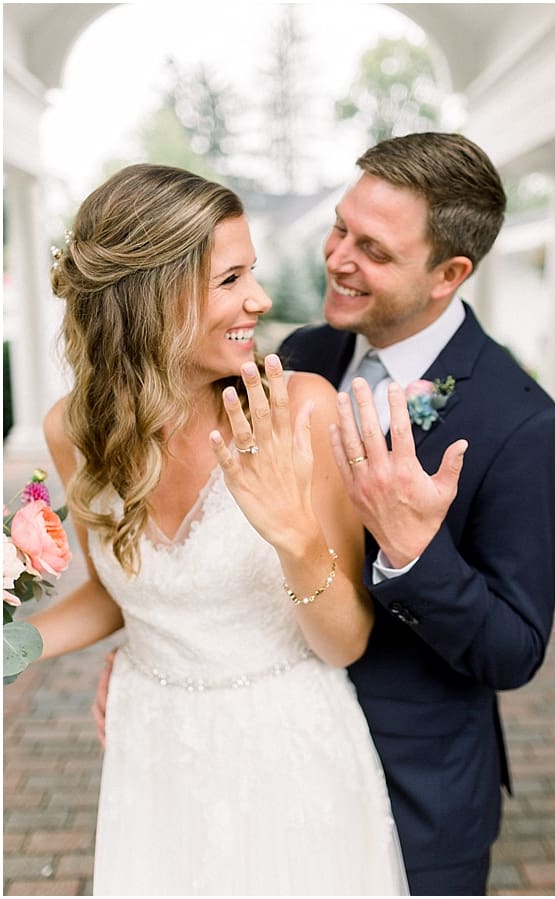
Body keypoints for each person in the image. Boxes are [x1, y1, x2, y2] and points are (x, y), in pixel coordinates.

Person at [31, 164, 413, 893]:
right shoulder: (73, 430)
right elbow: (121, 595)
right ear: (152, 296)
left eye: (253, 273)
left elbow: (346, 642)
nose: (260, 300)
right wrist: (15, 645)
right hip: (152, 751)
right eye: (231, 278)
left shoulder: (301, 409)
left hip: (289, 750)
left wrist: (294, 536)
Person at [276, 132, 555, 892]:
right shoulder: (307, 353)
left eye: (373, 249)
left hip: (414, 790)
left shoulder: (524, 425)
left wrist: (414, 552)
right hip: (273, 752)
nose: (338, 257)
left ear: (450, 274)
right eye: (340, 228)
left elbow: (515, 650)